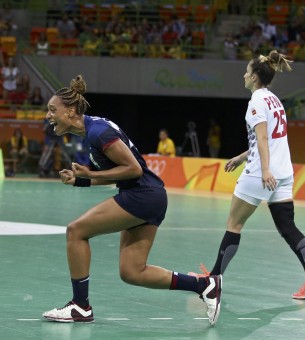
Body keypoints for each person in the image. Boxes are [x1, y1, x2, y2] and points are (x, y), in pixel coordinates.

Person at [41, 75, 222, 326]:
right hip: (148, 196)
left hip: (142, 196)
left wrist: (90, 174)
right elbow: (121, 173)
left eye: (53, 110)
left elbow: (134, 169)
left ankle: (80, 306)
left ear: (71, 111)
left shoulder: (98, 133)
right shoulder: (92, 130)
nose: (48, 116)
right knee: (132, 272)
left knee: (76, 231)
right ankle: (204, 285)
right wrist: (81, 179)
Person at [189, 51, 305, 301]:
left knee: (234, 224)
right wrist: (240, 157)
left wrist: (264, 169)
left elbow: (263, 137)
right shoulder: (275, 100)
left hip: (262, 174)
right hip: (284, 173)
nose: (243, 74)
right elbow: (269, 139)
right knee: (287, 227)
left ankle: (213, 282)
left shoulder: (256, 101)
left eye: (246, 71)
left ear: (254, 77)